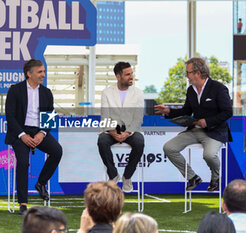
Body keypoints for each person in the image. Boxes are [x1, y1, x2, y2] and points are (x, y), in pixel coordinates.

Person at [155, 57, 232, 192]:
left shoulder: (218, 88)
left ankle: (216, 178)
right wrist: (168, 111)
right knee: (169, 148)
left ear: (198, 73)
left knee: (208, 155)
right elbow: (186, 111)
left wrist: (207, 122)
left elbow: (227, 112)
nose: (186, 75)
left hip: (215, 131)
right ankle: (192, 177)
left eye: (188, 72)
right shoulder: (191, 90)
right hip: (195, 130)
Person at [5, 59, 63, 215]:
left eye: (44, 71)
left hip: (38, 131)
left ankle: (41, 183)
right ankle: (23, 204)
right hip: (19, 132)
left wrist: (42, 133)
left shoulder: (46, 92)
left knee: (57, 151)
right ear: (29, 74)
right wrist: (22, 135)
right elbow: (10, 116)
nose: (43, 75)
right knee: (23, 163)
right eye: (40, 72)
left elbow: (49, 117)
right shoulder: (15, 90)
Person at [97, 61, 144, 192]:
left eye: (132, 73)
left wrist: (127, 133)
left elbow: (138, 118)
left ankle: (127, 177)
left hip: (131, 130)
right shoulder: (106, 92)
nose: (131, 77)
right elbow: (105, 116)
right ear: (118, 76)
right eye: (127, 74)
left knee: (139, 142)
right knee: (102, 141)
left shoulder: (138, 93)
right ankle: (113, 175)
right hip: (111, 128)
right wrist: (113, 132)